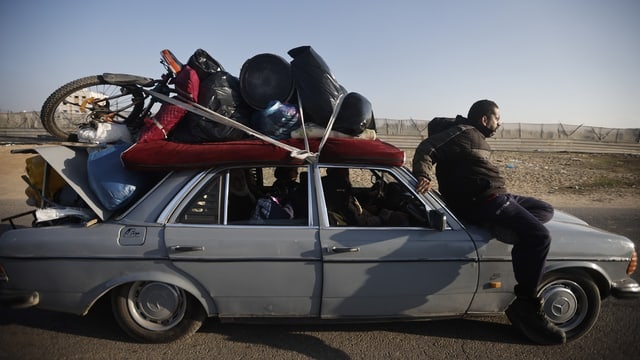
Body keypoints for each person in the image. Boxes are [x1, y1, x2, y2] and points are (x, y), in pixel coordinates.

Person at [412, 100, 566, 345]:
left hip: (497, 196)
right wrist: (423, 174)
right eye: (497, 118)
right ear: (484, 119)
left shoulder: (474, 137)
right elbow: (427, 148)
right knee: (540, 237)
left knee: (544, 208)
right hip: (485, 200)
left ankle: (503, 227)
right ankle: (526, 303)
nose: (500, 123)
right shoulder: (463, 132)